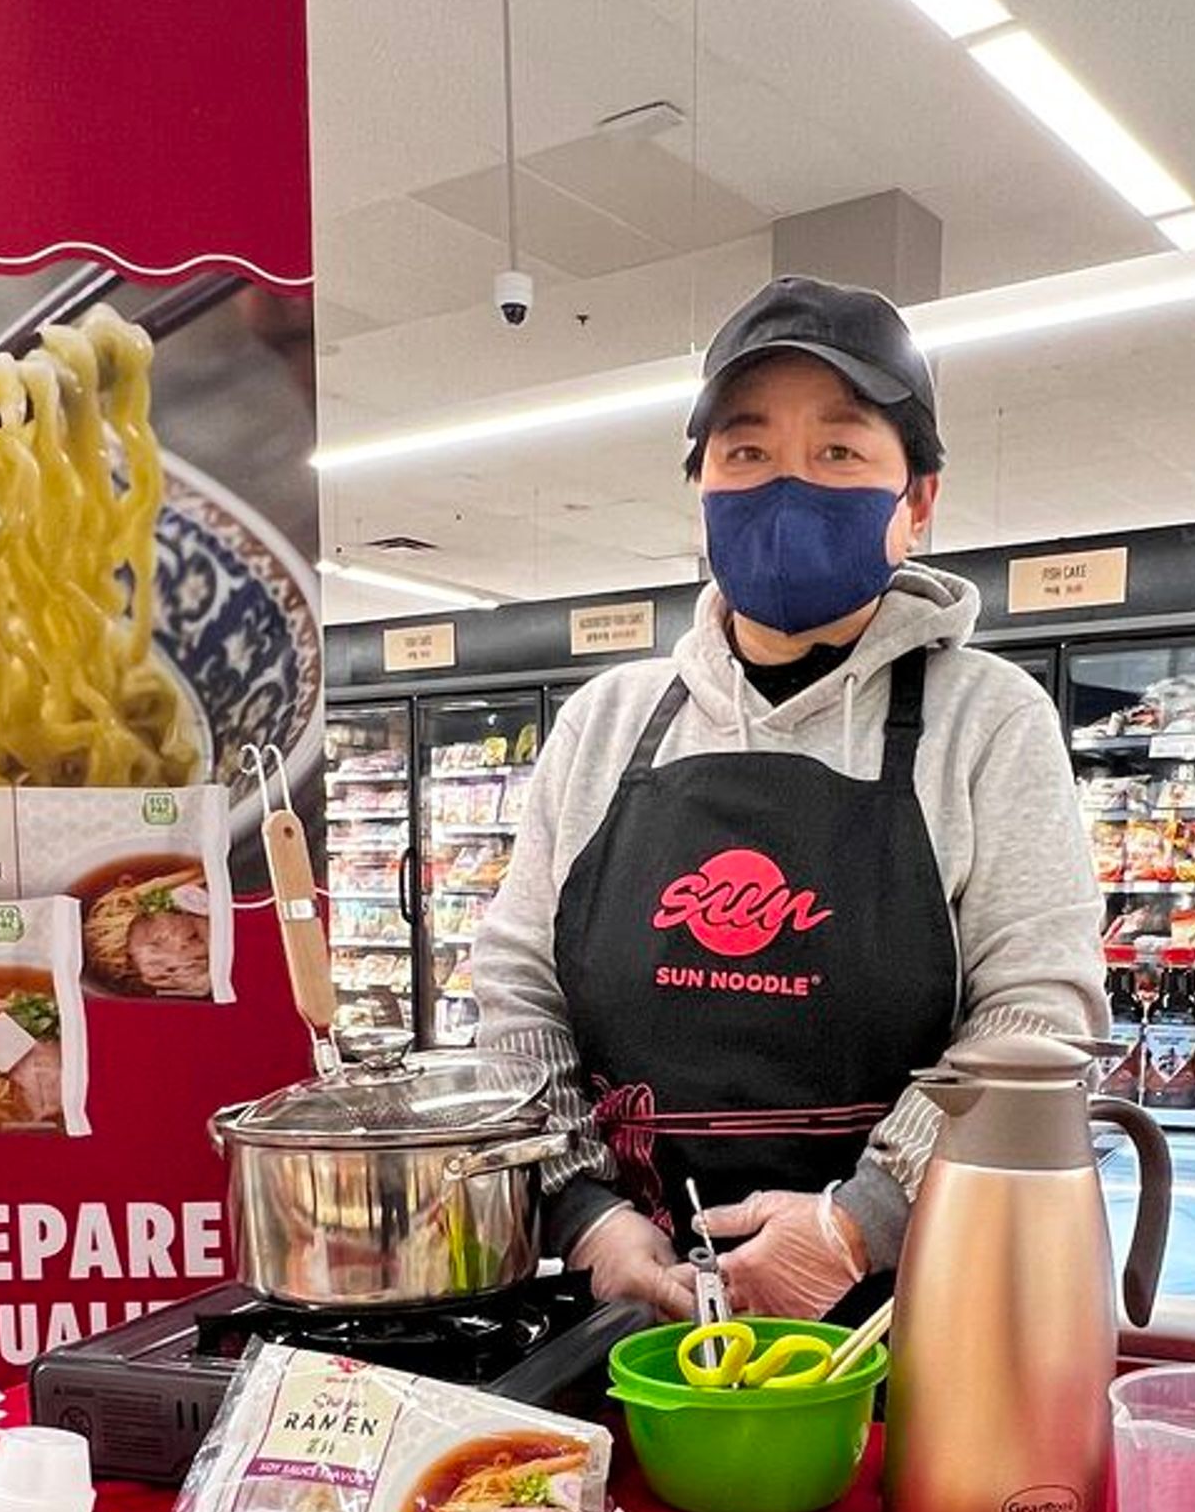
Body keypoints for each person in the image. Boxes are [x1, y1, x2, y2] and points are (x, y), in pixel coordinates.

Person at [470, 274, 1105, 1322]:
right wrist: (581, 1211)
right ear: (703, 489)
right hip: (629, 1303)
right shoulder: (606, 722)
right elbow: (517, 996)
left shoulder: (986, 720)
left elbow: (1039, 1013)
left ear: (918, 501)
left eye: (839, 452)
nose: (787, 485)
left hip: (901, 1310)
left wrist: (859, 1221)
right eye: (747, 452)